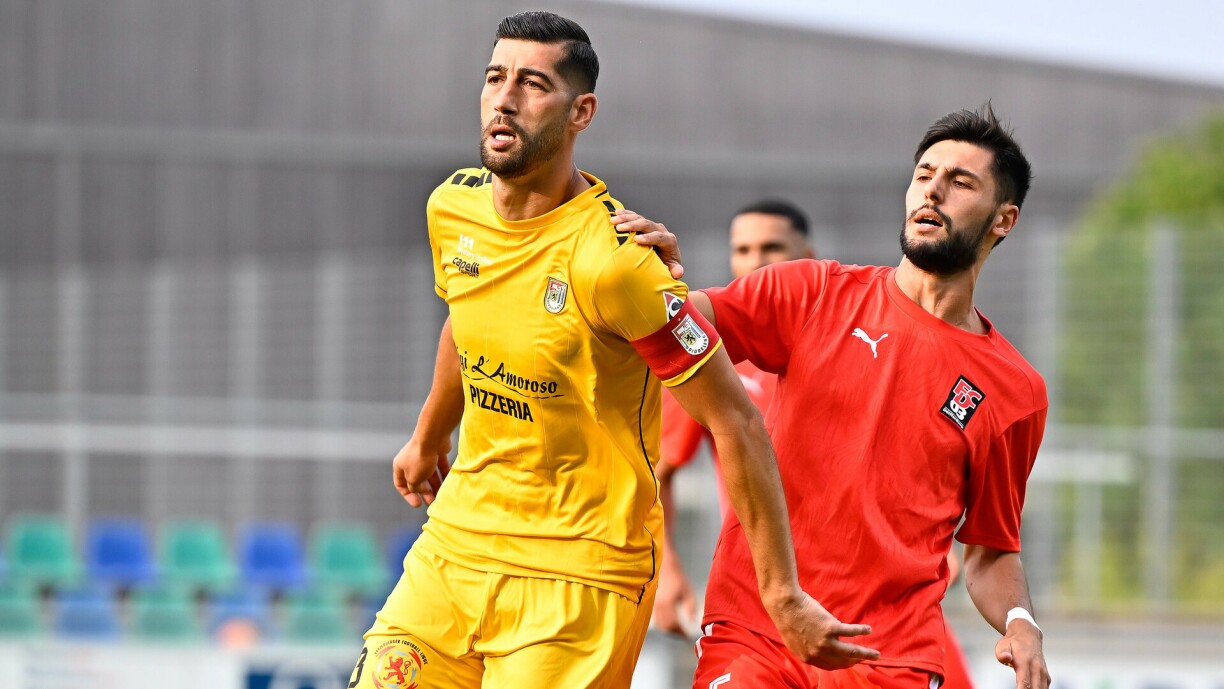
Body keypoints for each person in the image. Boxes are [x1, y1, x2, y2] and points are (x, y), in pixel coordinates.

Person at [348, 12, 879, 689]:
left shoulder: (619, 263)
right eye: (494, 78)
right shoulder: (452, 207)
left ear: (581, 111)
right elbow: (465, 317)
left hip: (579, 574)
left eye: (533, 84)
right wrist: (428, 436)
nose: (505, 98)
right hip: (455, 547)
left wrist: (783, 595)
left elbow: (735, 419)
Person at [619, 104, 1050, 689]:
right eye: (924, 175)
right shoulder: (811, 291)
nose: (933, 192)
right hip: (756, 632)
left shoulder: (1014, 390)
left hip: (888, 657)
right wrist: (644, 278)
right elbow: (672, 319)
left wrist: (1021, 623)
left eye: (960, 182)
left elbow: (990, 550)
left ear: (1004, 219)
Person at [651, 200, 979, 689]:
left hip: (876, 606)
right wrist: (667, 568)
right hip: (764, 595)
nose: (755, 261)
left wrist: (924, 549)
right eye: (742, 249)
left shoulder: (839, 342)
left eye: (771, 248)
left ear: (805, 254)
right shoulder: (711, 359)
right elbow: (659, 468)